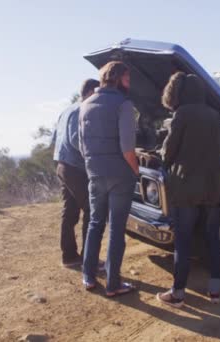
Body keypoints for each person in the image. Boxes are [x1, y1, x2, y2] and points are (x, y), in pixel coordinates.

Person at [156, 72, 220, 308]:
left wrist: (162, 157)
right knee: (212, 238)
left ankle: (177, 294)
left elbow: (168, 152)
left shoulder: (182, 114)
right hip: (215, 184)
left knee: (183, 242)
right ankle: (215, 291)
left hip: (186, 187)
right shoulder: (215, 115)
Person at [79, 61, 139, 297]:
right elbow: (127, 149)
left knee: (95, 224)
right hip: (120, 176)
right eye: (128, 79)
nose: (129, 84)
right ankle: (113, 284)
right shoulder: (123, 105)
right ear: (117, 79)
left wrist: (93, 166)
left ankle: (88, 276)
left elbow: (82, 146)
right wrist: (135, 170)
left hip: (94, 173)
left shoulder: (85, 105)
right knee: (116, 230)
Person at [52, 78, 99, 267]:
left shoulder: (67, 110)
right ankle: (90, 259)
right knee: (91, 209)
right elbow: (75, 141)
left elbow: (55, 138)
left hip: (62, 165)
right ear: (90, 92)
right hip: (76, 169)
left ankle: (70, 256)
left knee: (70, 211)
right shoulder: (82, 110)